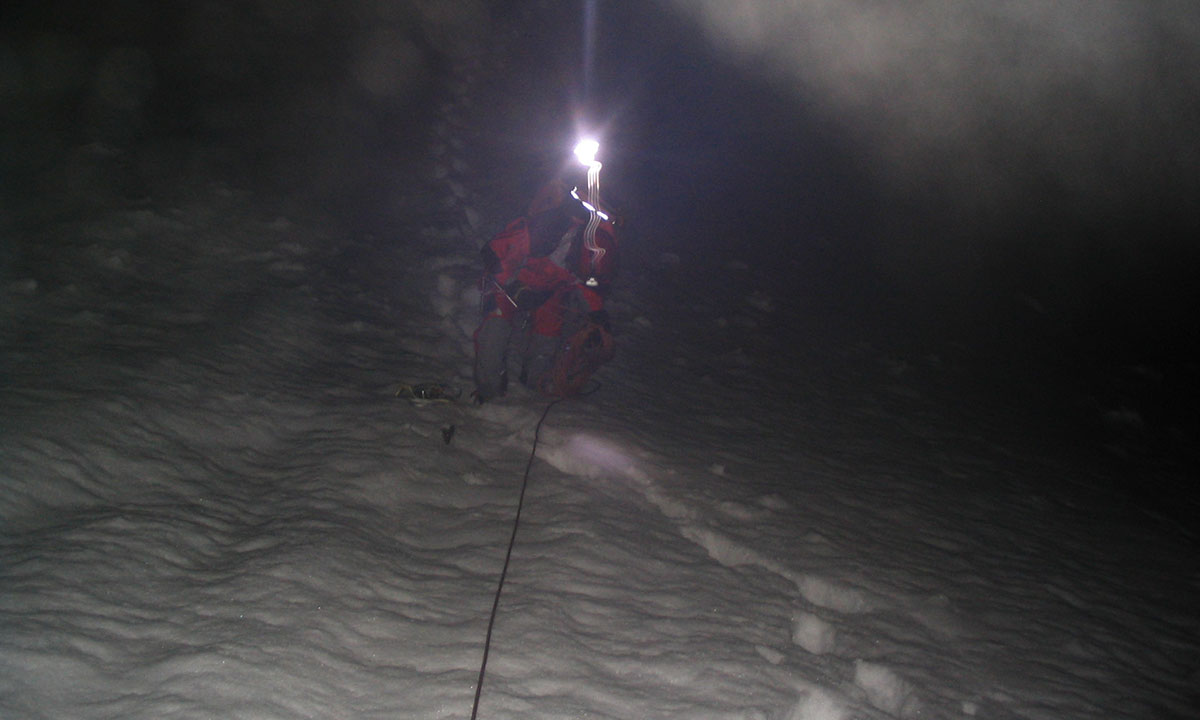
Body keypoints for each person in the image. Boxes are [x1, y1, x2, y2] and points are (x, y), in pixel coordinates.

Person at [473, 178, 619, 402]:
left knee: (545, 346)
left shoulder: (591, 246)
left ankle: (533, 397)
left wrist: (597, 316)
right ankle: (489, 395)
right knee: (492, 337)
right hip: (510, 285)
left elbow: (586, 284)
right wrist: (512, 286)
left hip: (551, 293)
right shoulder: (544, 227)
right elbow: (499, 254)